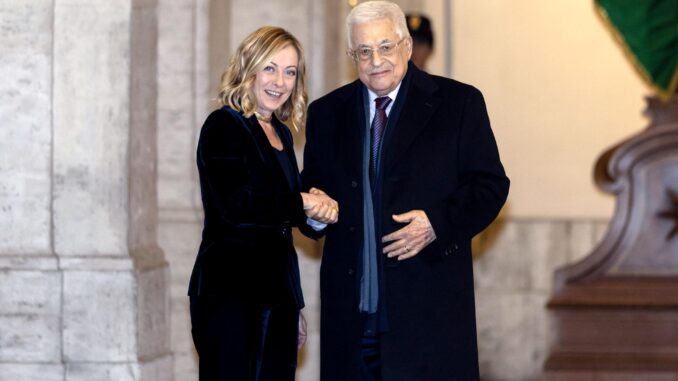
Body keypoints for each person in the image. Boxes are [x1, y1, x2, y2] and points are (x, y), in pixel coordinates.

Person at [301, 1, 509, 380]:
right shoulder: (326, 114)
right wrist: (313, 215)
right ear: (352, 56)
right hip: (350, 322)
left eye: (385, 46)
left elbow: (491, 186)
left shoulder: (458, 104)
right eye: (364, 51)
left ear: (407, 47)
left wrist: (436, 223)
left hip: (429, 318)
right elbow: (312, 196)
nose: (375, 59)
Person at [188, 26, 338, 381]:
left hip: (277, 302)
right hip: (230, 296)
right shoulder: (223, 125)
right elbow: (238, 207)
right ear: (249, 68)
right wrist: (301, 201)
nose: (280, 82)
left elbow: (283, 228)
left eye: (290, 72)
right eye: (270, 68)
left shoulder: (281, 133)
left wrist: (317, 213)